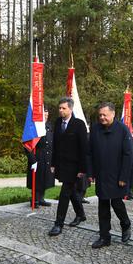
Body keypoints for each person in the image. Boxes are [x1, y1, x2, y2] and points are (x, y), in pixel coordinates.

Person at [88, 103, 133, 248]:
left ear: (113, 114)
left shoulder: (123, 130)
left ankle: (125, 224)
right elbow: (89, 153)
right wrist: (90, 172)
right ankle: (104, 237)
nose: (102, 117)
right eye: (100, 115)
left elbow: (128, 155)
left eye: (105, 115)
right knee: (103, 206)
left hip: (117, 175)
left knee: (117, 203)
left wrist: (123, 177)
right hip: (101, 174)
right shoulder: (95, 129)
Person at [48, 97, 89, 236]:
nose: (60, 110)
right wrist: (53, 163)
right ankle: (81, 214)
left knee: (65, 193)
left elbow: (84, 149)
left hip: (74, 167)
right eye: (59, 108)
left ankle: (58, 224)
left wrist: (83, 169)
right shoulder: (58, 122)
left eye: (63, 108)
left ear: (70, 109)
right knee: (71, 192)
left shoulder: (79, 124)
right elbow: (55, 145)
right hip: (61, 165)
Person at [25, 107, 54, 207]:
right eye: (44, 115)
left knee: (45, 178)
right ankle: (34, 199)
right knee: (37, 179)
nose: (46, 117)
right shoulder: (34, 127)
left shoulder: (49, 126)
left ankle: (41, 198)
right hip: (37, 156)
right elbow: (27, 145)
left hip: (47, 157)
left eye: (47, 115)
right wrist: (32, 159)